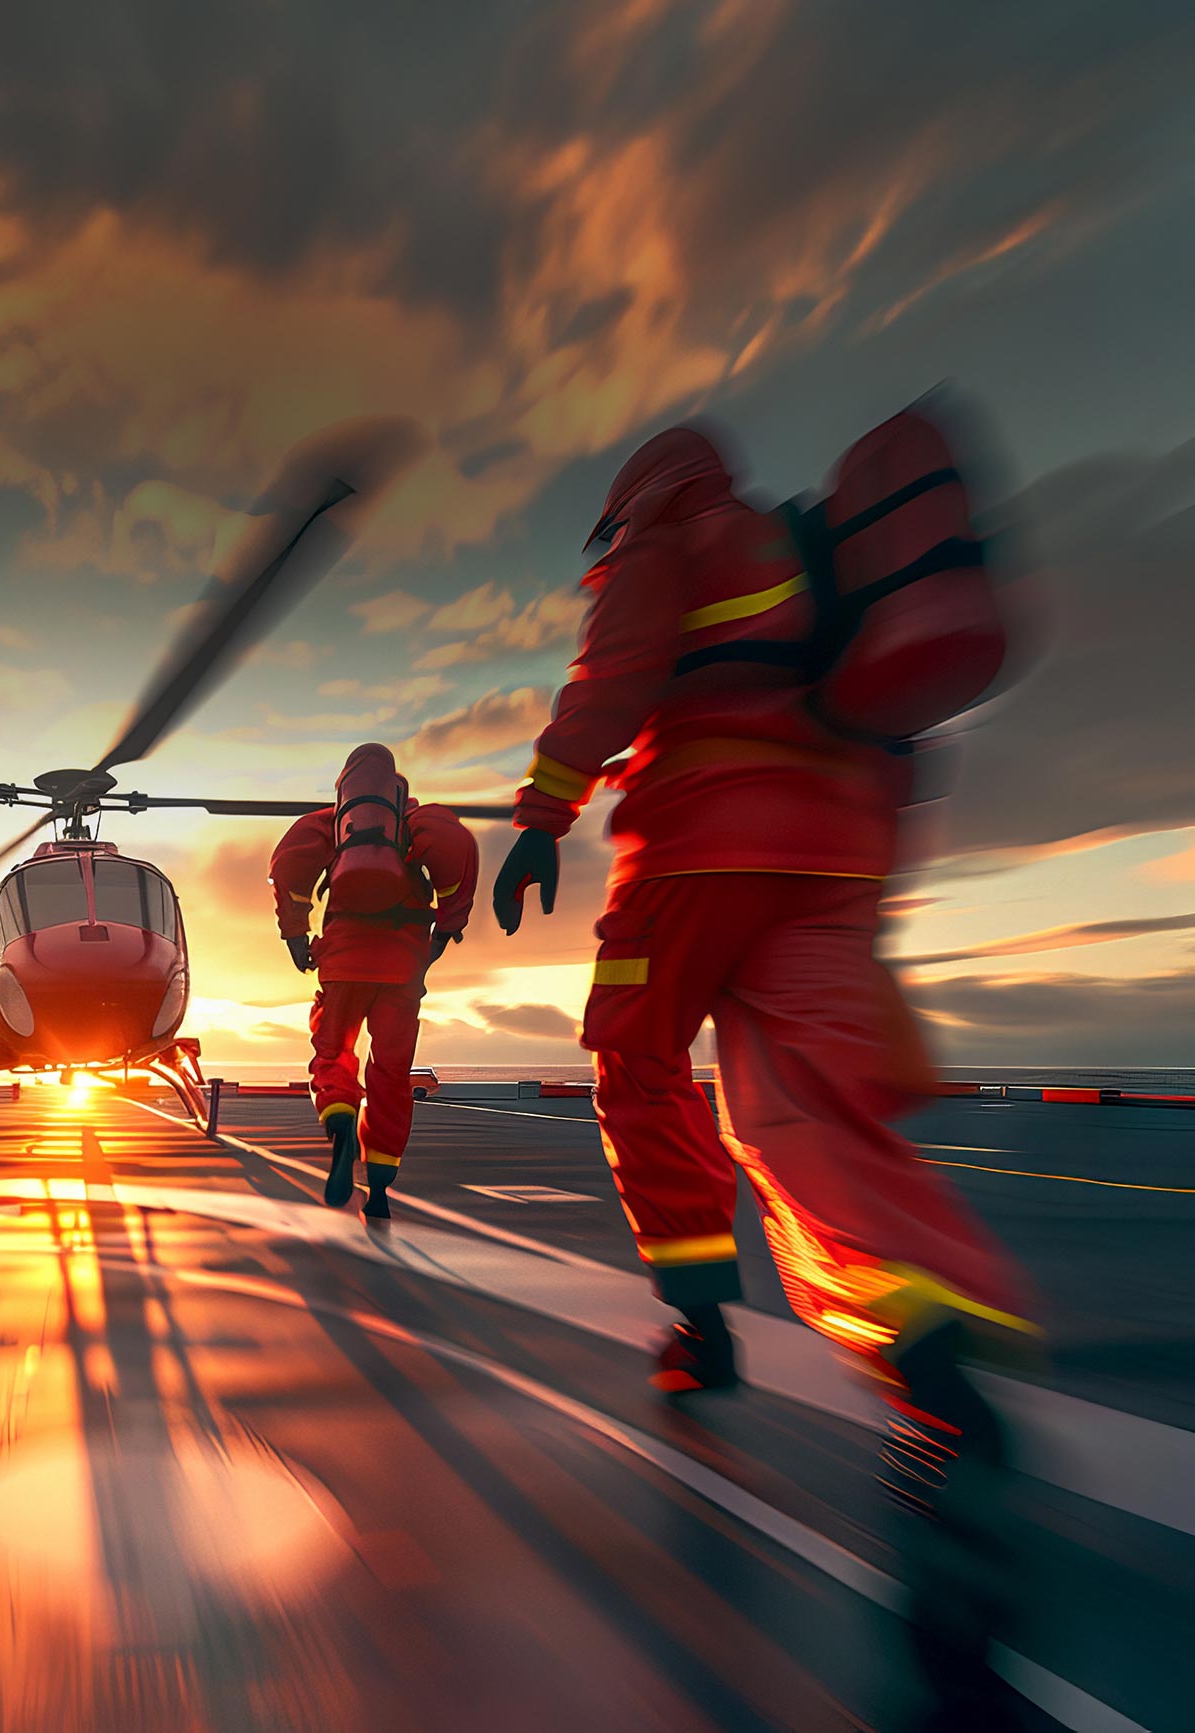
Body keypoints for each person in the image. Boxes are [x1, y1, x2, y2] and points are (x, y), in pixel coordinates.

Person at [491, 425, 1038, 1707]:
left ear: (628, 501)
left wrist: (539, 816)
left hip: (691, 853)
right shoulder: (808, 558)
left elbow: (617, 677)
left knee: (631, 1059)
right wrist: (861, 899)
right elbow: (902, 745)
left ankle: (697, 1317)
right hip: (833, 863)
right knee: (814, 1120)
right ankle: (936, 1355)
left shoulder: (667, 538)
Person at [270, 744, 478, 1219]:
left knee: (333, 1052)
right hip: (402, 968)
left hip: (343, 962)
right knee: (390, 1073)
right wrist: (447, 926)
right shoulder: (418, 820)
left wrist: (295, 933)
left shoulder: (329, 824)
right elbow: (458, 852)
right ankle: (380, 1186)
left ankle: (340, 1120)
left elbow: (287, 868)